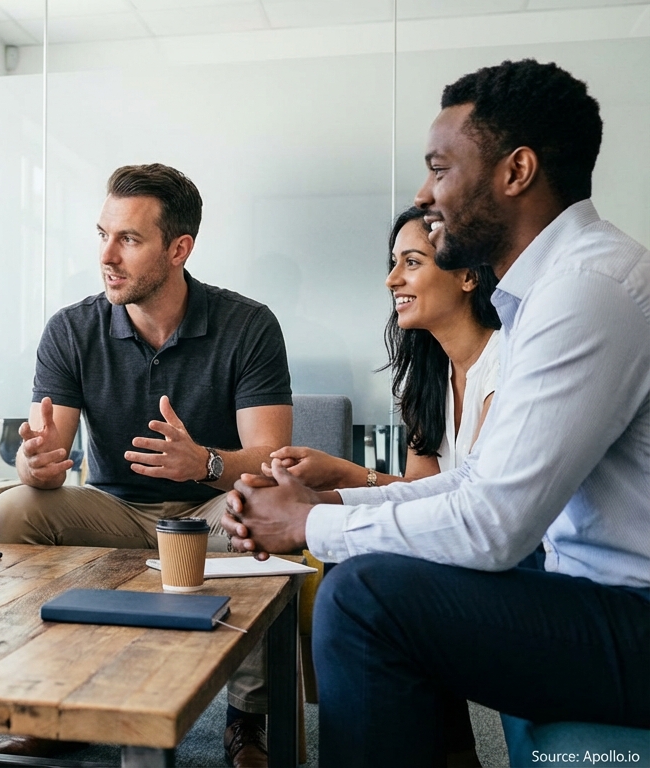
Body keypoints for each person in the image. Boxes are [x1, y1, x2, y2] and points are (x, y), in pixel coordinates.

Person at [222, 59, 650, 767]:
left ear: (516, 172)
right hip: (593, 596)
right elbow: (479, 481)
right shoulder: (557, 290)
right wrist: (322, 501)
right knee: (381, 578)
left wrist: (310, 522)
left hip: (630, 618)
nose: (426, 193)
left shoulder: (588, 290)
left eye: (441, 168)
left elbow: (494, 527)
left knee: (366, 598)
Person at [0, 163, 294, 766]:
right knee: (14, 508)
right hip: (115, 510)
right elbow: (48, 450)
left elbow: (270, 459)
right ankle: (49, 709)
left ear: (179, 249)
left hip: (208, 510)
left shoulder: (248, 325)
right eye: (103, 234)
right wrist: (37, 465)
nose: (107, 255)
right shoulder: (71, 329)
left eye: (128, 239)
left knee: (257, 508)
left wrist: (202, 462)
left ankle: (246, 723)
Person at [272, 206, 501, 489]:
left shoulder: (506, 360)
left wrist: (341, 476)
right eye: (394, 262)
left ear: (468, 276)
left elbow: (476, 497)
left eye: (413, 262)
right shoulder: (430, 374)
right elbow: (420, 487)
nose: (391, 279)